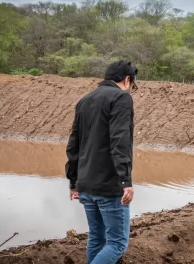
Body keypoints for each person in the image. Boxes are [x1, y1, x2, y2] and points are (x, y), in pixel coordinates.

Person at [65, 60, 138, 264]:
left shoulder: (84, 100)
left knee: (97, 239)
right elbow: (119, 141)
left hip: (86, 185)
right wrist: (125, 181)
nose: (131, 90)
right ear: (127, 79)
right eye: (132, 85)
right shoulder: (121, 98)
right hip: (109, 186)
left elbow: (74, 144)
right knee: (117, 243)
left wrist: (73, 182)